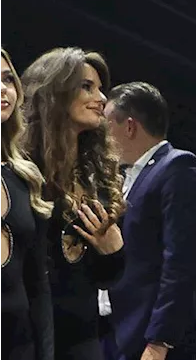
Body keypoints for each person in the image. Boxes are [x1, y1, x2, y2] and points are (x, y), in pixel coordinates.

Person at [21, 48, 127, 360]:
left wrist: (112, 250)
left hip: (83, 339)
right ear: (55, 92)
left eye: (100, 88)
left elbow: (103, 277)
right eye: (87, 87)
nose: (102, 98)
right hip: (28, 334)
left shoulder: (95, 176)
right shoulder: (21, 170)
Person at [101, 82, 196, 360]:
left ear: (129, 127)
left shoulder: (179, 167)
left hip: (155, 340)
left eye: (106, 125)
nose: (101, 135)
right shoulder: (127, 175)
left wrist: (160, 341)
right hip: (123, 331)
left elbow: (181, 263)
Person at [0, 46, 55, 360]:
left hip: (21, 348)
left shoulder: (24, 176)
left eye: (8, 79)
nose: (3, 89)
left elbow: (38, 286)